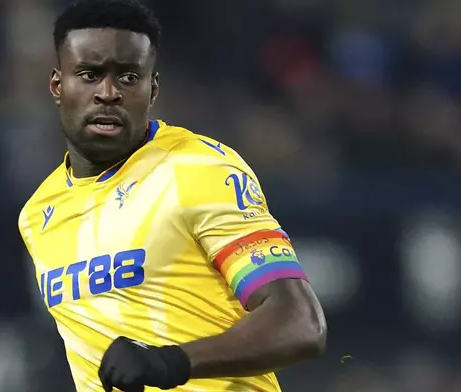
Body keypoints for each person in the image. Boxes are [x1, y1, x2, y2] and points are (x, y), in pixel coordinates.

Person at [18, 0, 327, 390]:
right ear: (58, 86)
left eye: (129, 77)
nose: (108, 92)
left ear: (153, 88)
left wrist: (168, 362)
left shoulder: (196, 168)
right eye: (90, 74)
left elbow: (300, 323)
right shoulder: (37, 215)